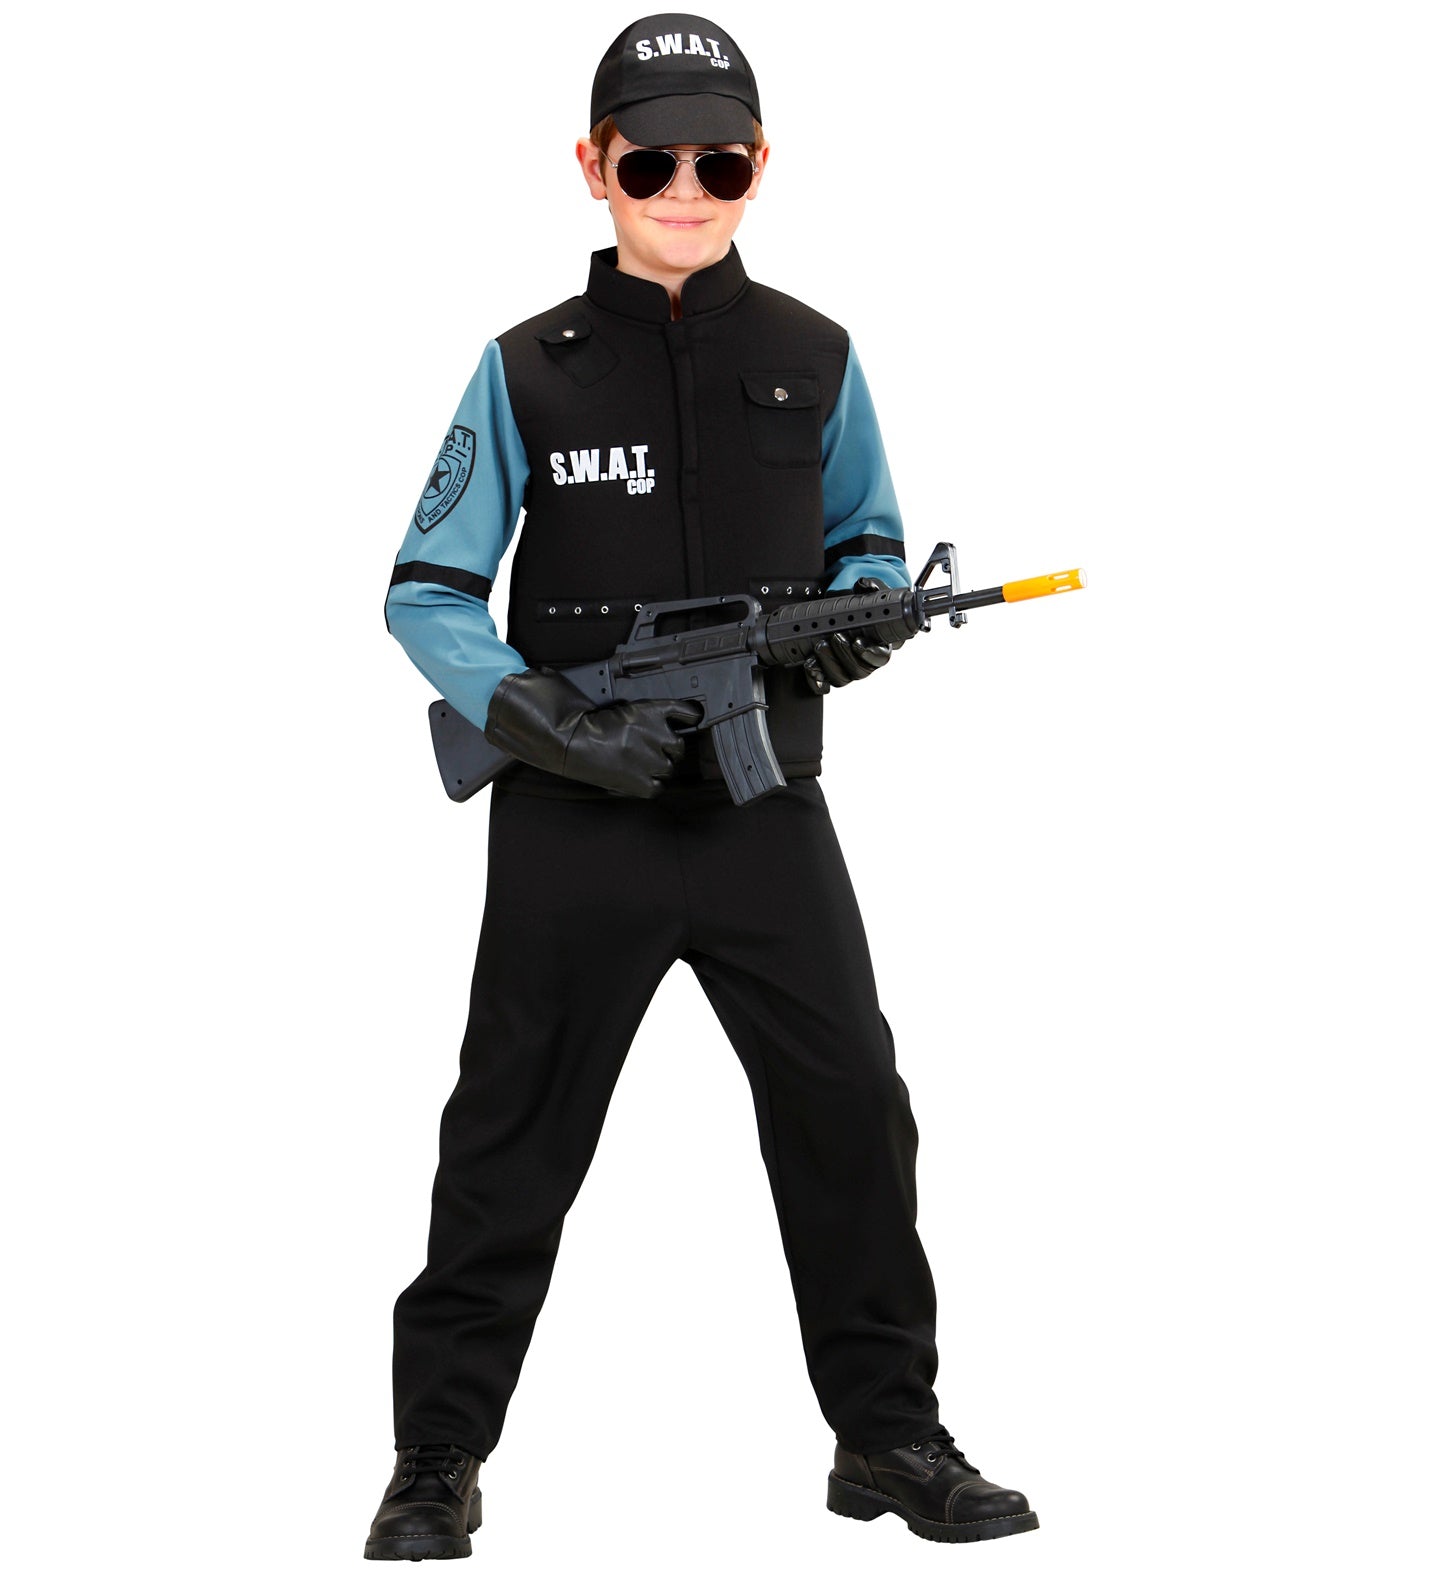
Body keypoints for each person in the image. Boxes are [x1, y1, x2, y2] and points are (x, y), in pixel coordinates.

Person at [366, 14, 1037, 1558]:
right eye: (650, 160)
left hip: (763, 815)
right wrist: (543, 722)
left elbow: (870, 543)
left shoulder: (817, 354)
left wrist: (861, 620)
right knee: (511, 1137)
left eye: (717, 162)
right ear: (592, 166)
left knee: (850, 1110)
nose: (684, 188)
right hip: (569, 825)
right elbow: (427, 590)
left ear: (759, 167)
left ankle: (887, 1437)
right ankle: (436, 1457)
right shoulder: (523, 367)